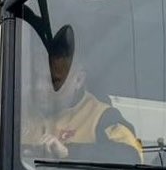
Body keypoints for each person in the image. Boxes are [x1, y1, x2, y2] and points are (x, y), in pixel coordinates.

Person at [23, 24, 142, 159]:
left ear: (78, 80)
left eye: (52, 80)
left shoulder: (101, 117)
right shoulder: (16, 108)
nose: (39, 87)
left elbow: (132, 155)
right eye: (35, 78)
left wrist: (69, 153)